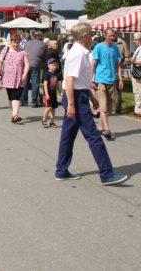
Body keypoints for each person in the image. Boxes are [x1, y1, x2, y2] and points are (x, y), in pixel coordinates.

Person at [55, 22, 129, 186]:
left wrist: (92, 97)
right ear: (84, 37)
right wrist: (72, 104)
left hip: (79, 95)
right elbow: (69, 80)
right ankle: (107, 174)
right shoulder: (78, 54)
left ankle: (61, 170)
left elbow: (79, 81)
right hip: (75, 97)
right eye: (90, 34)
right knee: (93, 136)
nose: (92, 37)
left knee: (68, 135)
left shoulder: (81, 52)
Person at [90, 28, 123, 140]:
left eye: (113, 35)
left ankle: (100, 127)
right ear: (105, 36)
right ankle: (107, 129)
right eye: (110, 35)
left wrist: (121, 79)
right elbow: (94, 64)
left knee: (108, 108)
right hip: (101, 80)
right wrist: (91, 80)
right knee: (103, 107)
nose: (112, 37)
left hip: (112, 80)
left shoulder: (115, 48)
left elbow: (118, 65)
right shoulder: (99, 47)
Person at [0, 34, 29, 123]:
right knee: (11, 97)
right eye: (14, 42)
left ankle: (15, 115)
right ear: (11, 42)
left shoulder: (23, 52)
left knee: (16, 97)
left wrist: (25, 74)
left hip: (19, 78)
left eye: (18, 43)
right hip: (8, 78)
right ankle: (13, 113)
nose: (16, 44)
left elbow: (27, 64)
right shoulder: (5, 50)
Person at [23, 31, 46, 107]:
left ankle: (24, 101)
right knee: (35, 83)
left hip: (25, 64)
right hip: (35, 64)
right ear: (41, 37)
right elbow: (44, 56)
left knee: (25, 83)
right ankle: (34, 101)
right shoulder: (43, 44)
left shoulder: (27, 43)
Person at [42, 58, 60, 128]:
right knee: (48, 107)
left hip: (53, 93)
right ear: (48, 66)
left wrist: (60, 92)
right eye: (52, 65)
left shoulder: (56, 74)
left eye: (55, 65)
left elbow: (57, 84)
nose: (54, 67)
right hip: (48, 94)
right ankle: (44, 120)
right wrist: (46, 94)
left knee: (53, 108)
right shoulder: (47, 74)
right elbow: (45, 84)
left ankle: (52, 122)